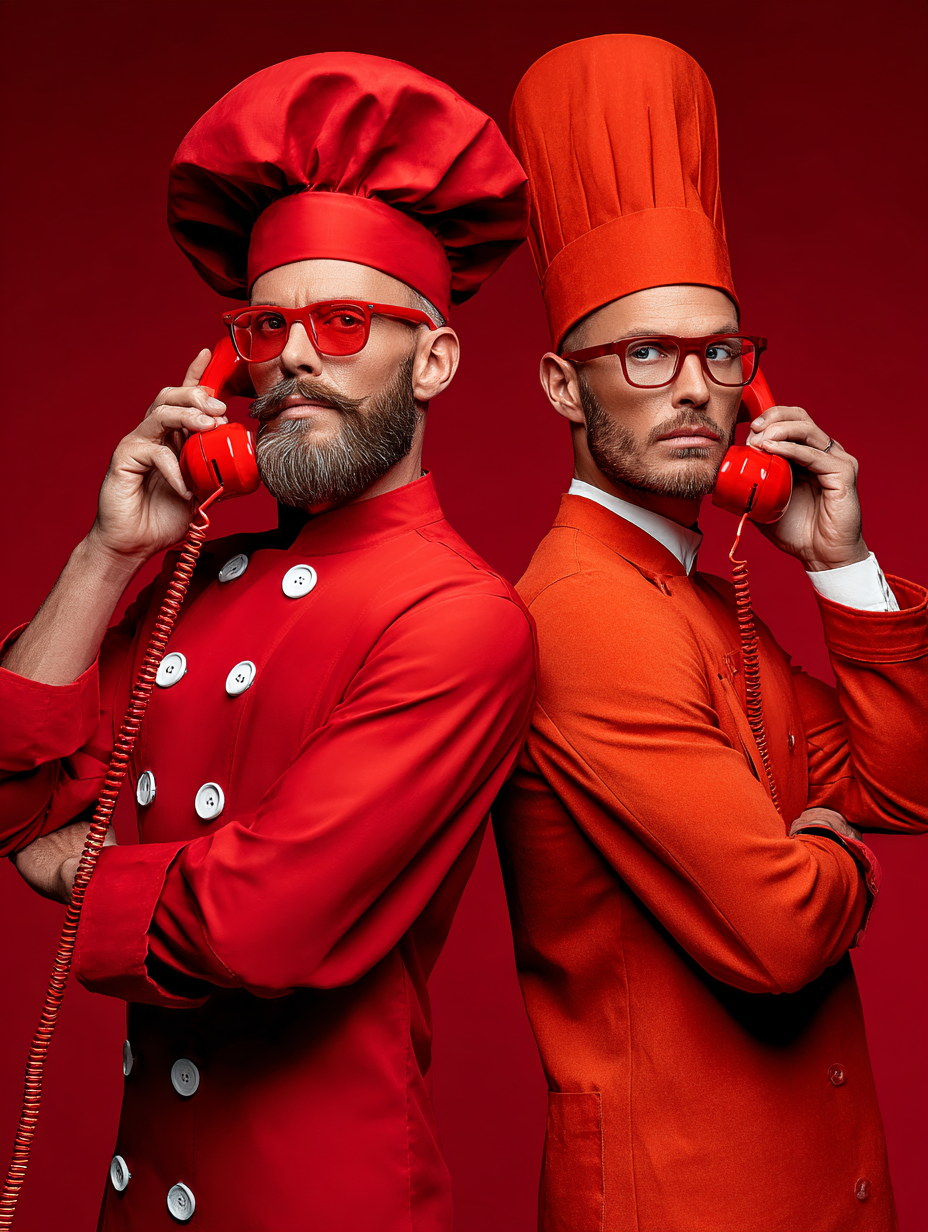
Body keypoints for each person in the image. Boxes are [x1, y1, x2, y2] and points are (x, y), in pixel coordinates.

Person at [0, 53, 535, 1231]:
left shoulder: (460, 617)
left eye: (344, 322)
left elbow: (260, 921)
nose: (292, 356)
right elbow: (17, 791)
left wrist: (71, 871)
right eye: (264, 326)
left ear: (434, 360)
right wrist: (107, 552)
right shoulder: (199, 573)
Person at [493, 34, 927, 1232]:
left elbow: (902, 780)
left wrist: (839, 564)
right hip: (680, 1200)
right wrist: (833, 851)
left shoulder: (692, 591)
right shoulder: (584, 608)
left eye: (720, 352)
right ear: (560, 386)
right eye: (645, 353)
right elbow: (783, 931)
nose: (695, 386)